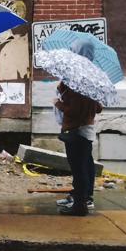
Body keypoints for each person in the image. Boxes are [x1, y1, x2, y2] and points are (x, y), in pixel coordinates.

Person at [55, 39, 103, 217]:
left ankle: (80, 204)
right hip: (87, 129)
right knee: (85, 165)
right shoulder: (93, 76)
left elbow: (74, 110)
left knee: (79, 168)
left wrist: (59, 103)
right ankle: (81, 198)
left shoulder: (78, 78)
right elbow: (98, 107)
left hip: (76, 130)